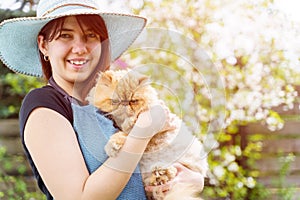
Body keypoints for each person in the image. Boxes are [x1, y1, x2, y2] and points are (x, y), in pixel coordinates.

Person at [0, 0, 205, 199]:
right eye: (65, 36)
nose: (80, 48)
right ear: (43, 44)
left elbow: (163, 155)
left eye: (90, 35)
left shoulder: (111, 102)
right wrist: (142, 132)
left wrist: (194, 179)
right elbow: (80, 197)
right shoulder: (44, 105)